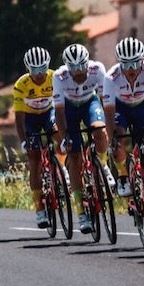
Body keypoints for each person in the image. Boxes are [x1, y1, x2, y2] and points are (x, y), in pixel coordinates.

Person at [102, 37, 144, 231]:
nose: (131, 68)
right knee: (118, 139)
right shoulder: (111, 77)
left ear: (142, 59)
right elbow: (108, 111)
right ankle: (123, 174)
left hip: (141, 107)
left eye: (135, 63)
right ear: (119, 62)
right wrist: (111, 138)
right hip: (119, 109)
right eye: (126, 64)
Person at [52, 43, 115, 235]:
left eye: (81, 66)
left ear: (88, 63)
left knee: (98, 129)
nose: (78, 71)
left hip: (89, 102)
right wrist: (65, 137)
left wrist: (109, 128)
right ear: (67, 66)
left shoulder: (98, 70)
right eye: (73, 68)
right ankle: (81, 211)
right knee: (76, 158)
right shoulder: (59, 76)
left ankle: (103, 164)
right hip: (68, 110)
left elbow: (107, 100)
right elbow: (59, 111)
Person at [12, 45, 58, 229]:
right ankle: (39, 208)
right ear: (27, 69)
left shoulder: (55, 77)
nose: (39, 74)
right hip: (30, 118)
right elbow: (19, 118)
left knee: (58, 134)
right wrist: (24, 141)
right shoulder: (21, 85)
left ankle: (61, 168)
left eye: (42, 69)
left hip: (48, 113)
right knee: (35, 159)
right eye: (34, 70)